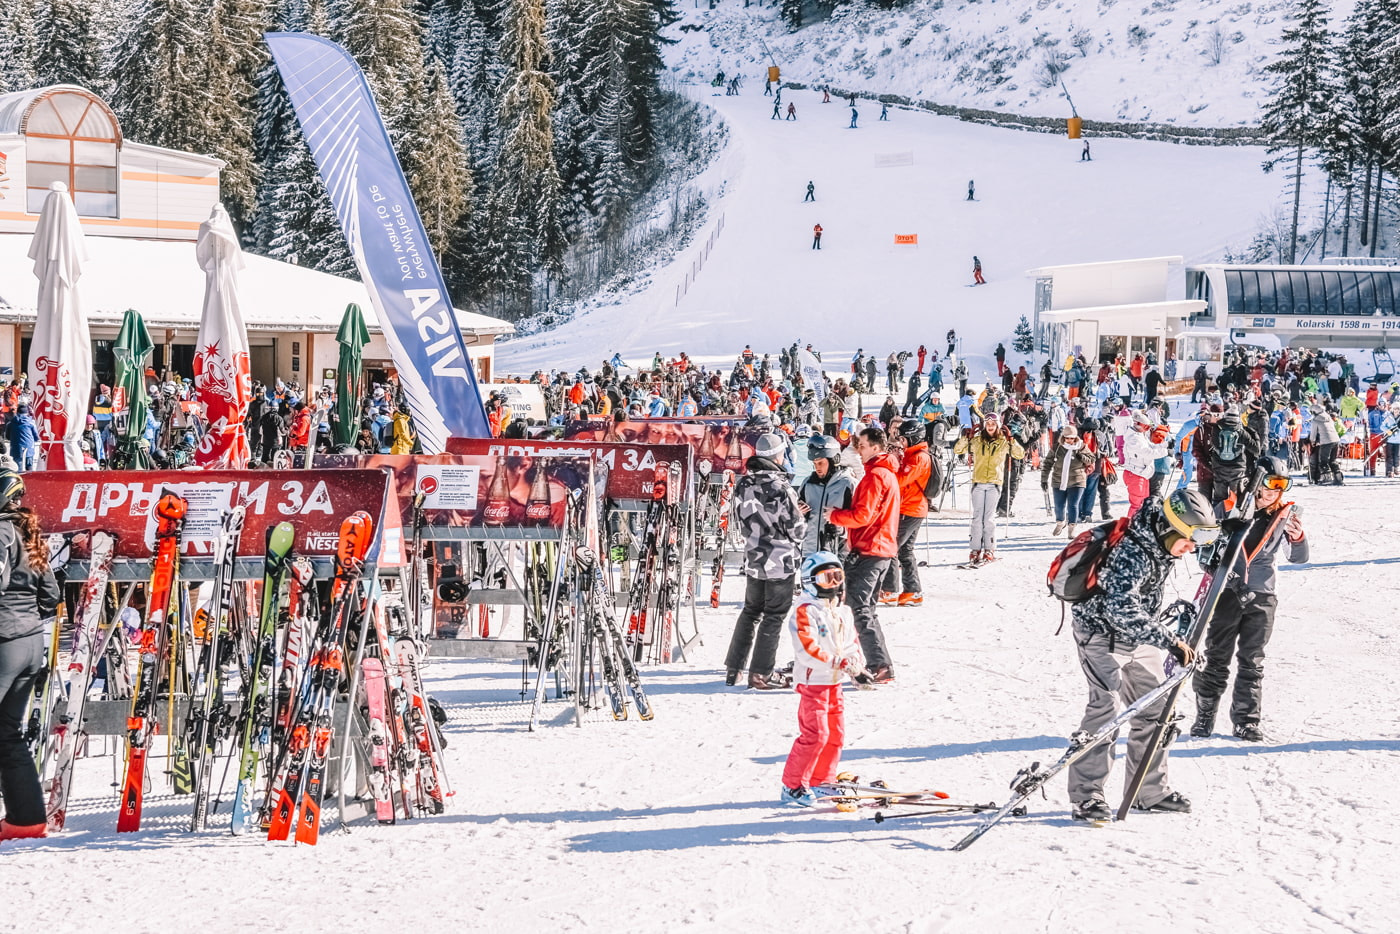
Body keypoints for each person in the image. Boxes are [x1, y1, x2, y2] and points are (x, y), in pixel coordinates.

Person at [1067, 488, 1218, 822]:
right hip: (1101, 635)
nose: (1191, 548)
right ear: (1169, 529)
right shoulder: (1132, 551)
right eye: (1188, 540)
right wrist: (1171, 641)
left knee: (1157, 709)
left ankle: (1147, 791)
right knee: (1106, 710)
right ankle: (1087, 796)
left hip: (1138, 639)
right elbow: (1120, 609)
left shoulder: (1159, 543)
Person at [1192, 459, 1308, 742]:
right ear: (1257, 480)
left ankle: (1246, 721)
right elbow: (1202, 550)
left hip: (1263, 595)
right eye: (1270, 484)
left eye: (1281, 486)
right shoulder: (1230, 506)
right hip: (1226, 592)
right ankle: (1205, 716)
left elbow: (1298, 557)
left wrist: (1297, 537)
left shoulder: (1284, 515)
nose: (1273, 492)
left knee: (1252, 661)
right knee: (1217, 656)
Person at [779, 551, 868, 807]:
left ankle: (821, 780)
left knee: (835, 734)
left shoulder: (843, 612)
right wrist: (836, 662)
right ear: (810, 581)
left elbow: (851, 643)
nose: (834, 584)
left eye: (837, 577)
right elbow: (808, 649)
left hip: (835, 682)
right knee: (816, 734)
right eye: (826, 578)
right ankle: (793, 785)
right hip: (813, 682)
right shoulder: (806, 611)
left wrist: (856, 666)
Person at [0, 471, 61, 841]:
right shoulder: (28, 534)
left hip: (5, 639)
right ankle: (25, 819)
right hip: (29, 642)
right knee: (6, 733)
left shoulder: (1, 533)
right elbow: (51, 595)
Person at [725, 433, 807, 689]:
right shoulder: (781, 488)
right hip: (780, 560)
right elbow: (797, 530)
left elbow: (740, 519)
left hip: (754, 557)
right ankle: (761, 673)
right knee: (774, 614)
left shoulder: (743, 484)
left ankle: (735, 668)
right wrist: (802, 517)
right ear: (778, 455)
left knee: (751, 611)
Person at [826, 427, 899, 683]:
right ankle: (877, 662)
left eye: (864, 446)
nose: (860, 450)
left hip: (872, 548)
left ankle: (878, 663)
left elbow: (862, 516)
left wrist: (834, 516)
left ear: (877, 448)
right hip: (878, 548)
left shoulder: (876, 476)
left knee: (858, 607)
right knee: (863, 607)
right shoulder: (883, 473)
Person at [952, 410, 1024, 566]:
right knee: (977, 518)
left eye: (993, 424)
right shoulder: (977, 441)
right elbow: (958, 449)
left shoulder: (1004, 442)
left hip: (994, 483)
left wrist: (1011, 439)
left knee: (988, 518)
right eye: (988, 424)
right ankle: (975, 549)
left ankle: (989, 548)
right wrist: (967, 437)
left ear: (997, 425)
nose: (990, 427)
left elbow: (1019, 454)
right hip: (978, 482)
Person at [881, 420, 931, 605]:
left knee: (891, 547)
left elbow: (899, 480)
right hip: (910, 507)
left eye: (903, 438)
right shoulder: (912, 455)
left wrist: (893, 461)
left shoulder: (919, 457)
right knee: (905, 551)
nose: (901, 442)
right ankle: (913, 591)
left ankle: (890, 589)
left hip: (910, 509)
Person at [798, 435, 854, 556]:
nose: (817, 468)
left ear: (833, 461)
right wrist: (799, 513)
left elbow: (860, 518)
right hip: (809, 553)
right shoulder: (807, 484)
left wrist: (841, 528)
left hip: (837, 553)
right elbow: (794, 516)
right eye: (815, 463)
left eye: (821, 463)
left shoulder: (847, 484)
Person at [1045, 424, 1093, 536]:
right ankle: (1060, 522)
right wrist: (1044, 479)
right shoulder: (1057, 448)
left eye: (1072, 438)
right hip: (1059, 480)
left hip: (1077, 480)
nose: (1069, 440)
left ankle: (1072, 527)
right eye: (1067, 438)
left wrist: (1082, 457)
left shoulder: (1081, 447)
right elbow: (1047, 463)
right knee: (1059, 505)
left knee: (1073, 505)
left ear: (1076, 438)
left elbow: (1091, 459)